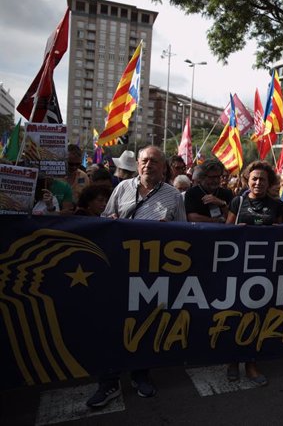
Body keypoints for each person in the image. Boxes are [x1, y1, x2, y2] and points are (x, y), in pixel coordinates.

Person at [86, 146, 186, 409]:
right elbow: (105, 219)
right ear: (138, 164)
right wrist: (113, 219)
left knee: (145, 322)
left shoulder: (174, 196)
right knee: (113, 323)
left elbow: (185, 234)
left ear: (163, 167)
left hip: (151, 272)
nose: (148, 165)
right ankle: (108, 381)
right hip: (119, 268)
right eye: (144, 161)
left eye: (154, 161)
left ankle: (141, 374)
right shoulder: (121, 188)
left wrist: (171, 232)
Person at [224, 161, 283, 387]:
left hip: (265, 269)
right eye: (254, 179)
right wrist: (236, 231)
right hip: (238, 268)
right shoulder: (237, 201)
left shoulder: (278, 206)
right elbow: (225, 232)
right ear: (247, 180)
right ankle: (232, 361)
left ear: (269, 182)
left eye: (262, 179)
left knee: (258, 315)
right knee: (234, 314)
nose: (258, 182)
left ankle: (252, 362)